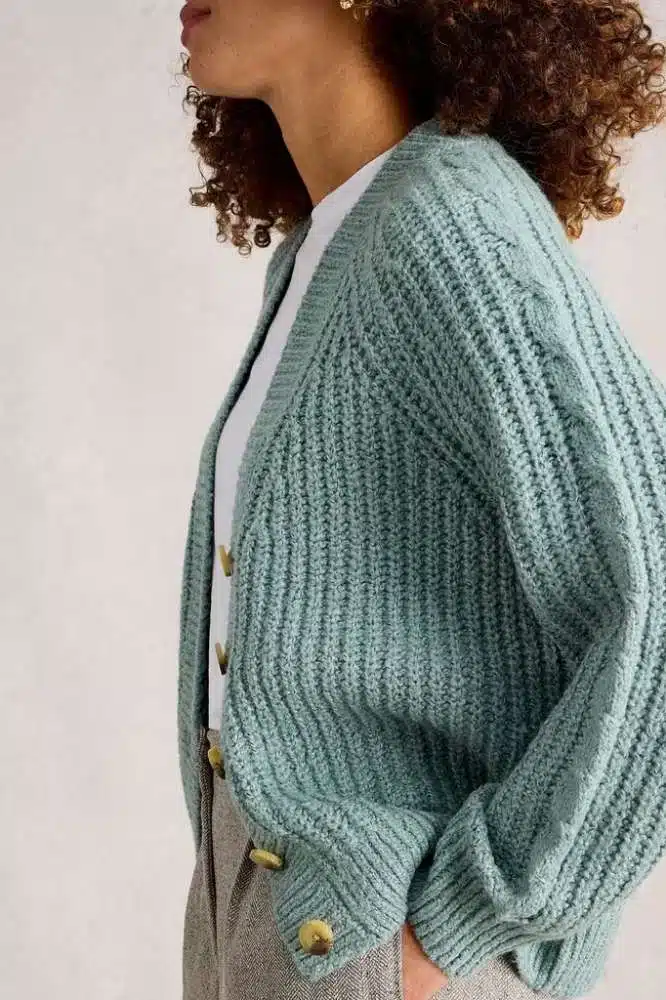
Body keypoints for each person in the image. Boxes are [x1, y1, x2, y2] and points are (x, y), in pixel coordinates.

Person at [175, 2, 666, 999]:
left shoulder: (450, 217)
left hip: (381, 937)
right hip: (282, 917)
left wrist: (463, 917)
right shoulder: (328, 243)